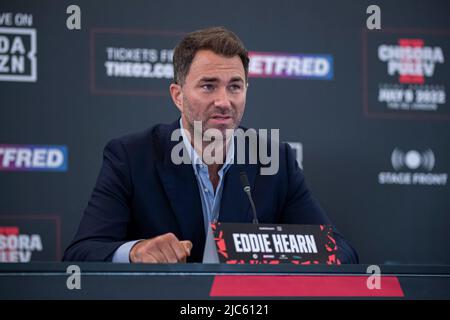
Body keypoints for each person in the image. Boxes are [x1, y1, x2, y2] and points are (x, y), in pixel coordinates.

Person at [63, 26, 358, 264]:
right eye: (208, 85)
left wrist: (282, 253)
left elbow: (342, 252)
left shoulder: (274, 159)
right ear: (177, 95)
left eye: (235, 86)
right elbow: (81, 253)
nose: (223, 102)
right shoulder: (130, 157)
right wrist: (135, 252)